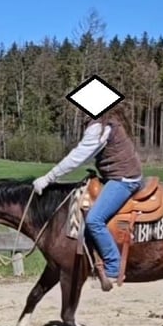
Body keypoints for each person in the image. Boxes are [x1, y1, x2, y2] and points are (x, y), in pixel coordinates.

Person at [32, 103, 143, 291]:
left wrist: (48, 178)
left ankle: (114, 266)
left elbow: (78, 157)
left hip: (123, 179)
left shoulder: (100, 127)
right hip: (117, 175)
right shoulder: (109, 120)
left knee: (94, 219)